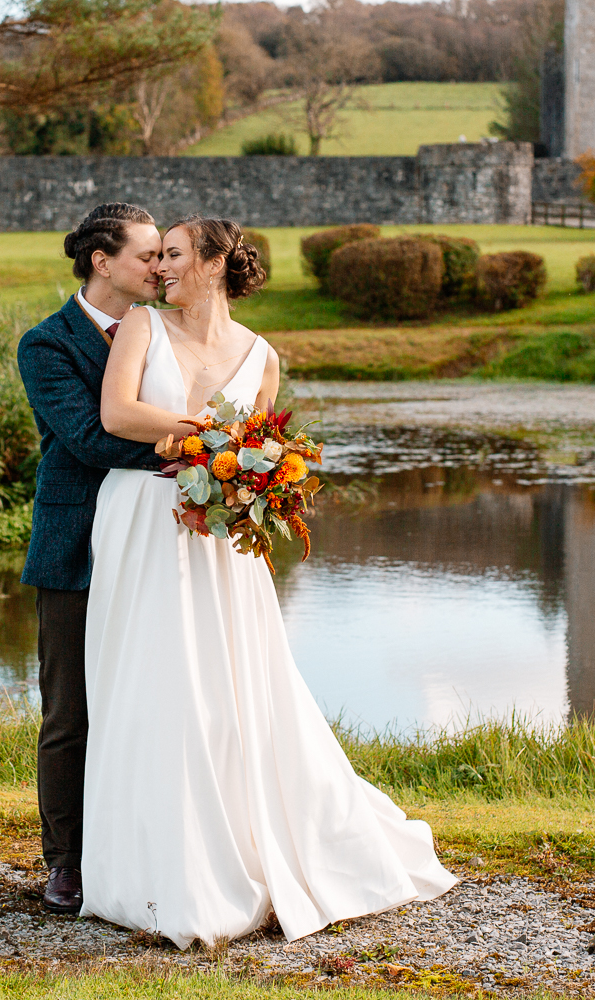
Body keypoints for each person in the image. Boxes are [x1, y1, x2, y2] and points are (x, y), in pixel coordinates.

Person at [79, 216, 456, 948]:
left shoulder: (263, 356)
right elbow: (116, 413)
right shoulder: (141, 328)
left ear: (215, 263)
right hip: (140, 519)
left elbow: (264, 449)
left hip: (218, 536)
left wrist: (242, 478)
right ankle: (150, 867)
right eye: (157, 258)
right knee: (148, 680)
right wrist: (205, 439)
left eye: (176, 255)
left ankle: (244, 852)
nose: (161, 268)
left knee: (231, 686)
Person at [14, 202, 166, 916]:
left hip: (159, 547)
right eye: (147, 255)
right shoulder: (45, 345)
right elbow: (87, 437)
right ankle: (65, 863)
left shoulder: (166, 334)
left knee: (150, 707)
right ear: (102, 261)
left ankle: (141, 852)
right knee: (69, 711)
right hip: (75, 547)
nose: (159, 267)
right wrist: (203, 455)